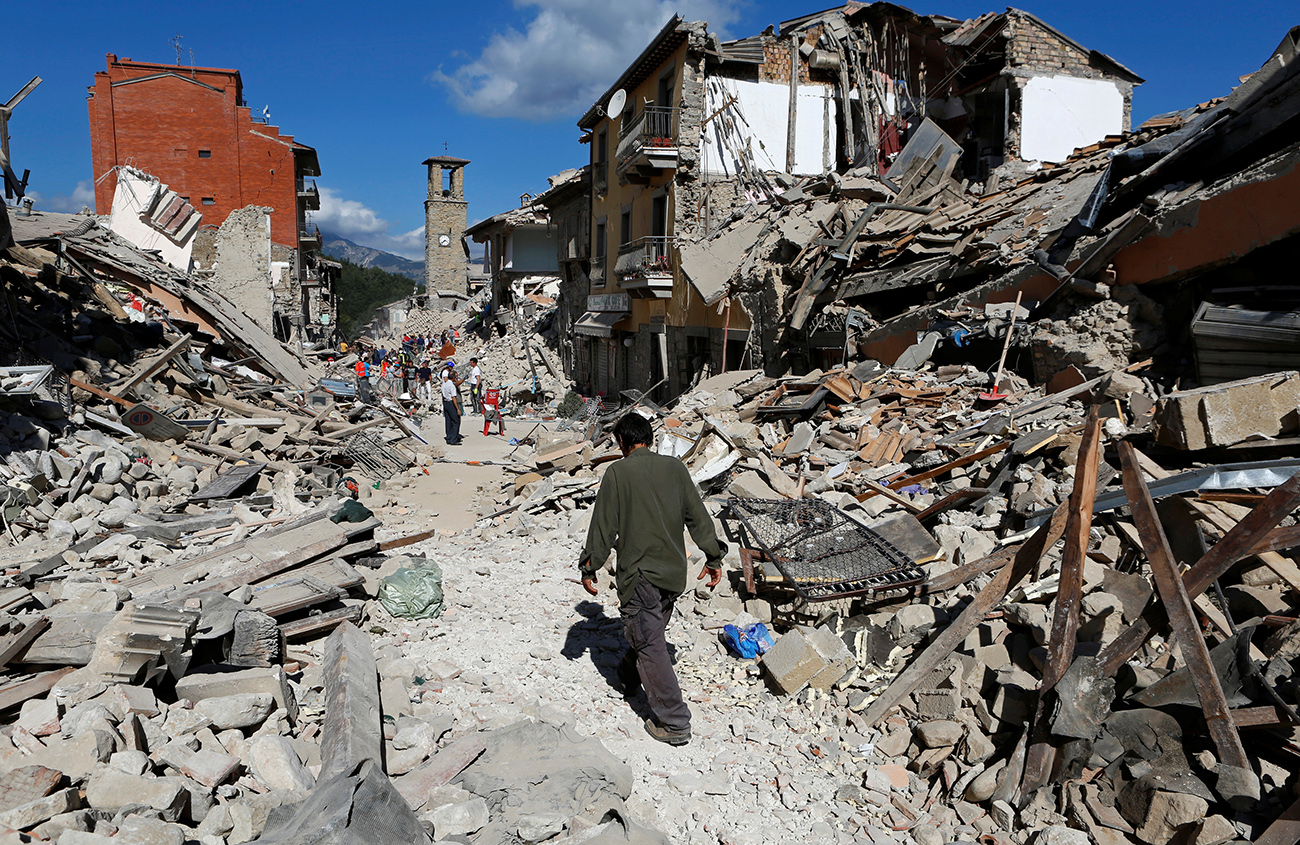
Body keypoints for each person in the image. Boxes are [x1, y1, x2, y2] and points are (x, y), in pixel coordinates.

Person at [579, 413, 726, 746]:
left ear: (622, 443)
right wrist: (714, 556)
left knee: (648, 641)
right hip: (674, 574)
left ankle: (674, 722)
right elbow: (698, 517)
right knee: (649, 630)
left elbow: (603, 529)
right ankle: (627, 677)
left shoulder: (617, 473)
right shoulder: (675, 468)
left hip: (640, 575)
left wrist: (590, 567)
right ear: (649, 437)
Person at [441, 362, 463, 445]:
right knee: (456, 421)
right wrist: (458, 408)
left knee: (448, 421)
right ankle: (454, 439)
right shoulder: (452, 386)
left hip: (446, 403)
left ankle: (449, 437)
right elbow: (454, 397)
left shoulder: (444, 385)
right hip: (451, 403)